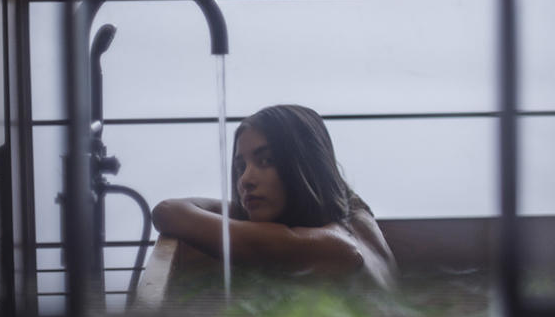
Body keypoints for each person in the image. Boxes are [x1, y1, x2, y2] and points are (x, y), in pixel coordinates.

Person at [152, 104, 396, 289]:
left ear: (305, 166)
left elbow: (167, 212)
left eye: (266, 161)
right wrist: (246, 207)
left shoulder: (333, 247)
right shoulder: (356, 211)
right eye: (241, 167)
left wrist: (242, 209)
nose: (245, 179)